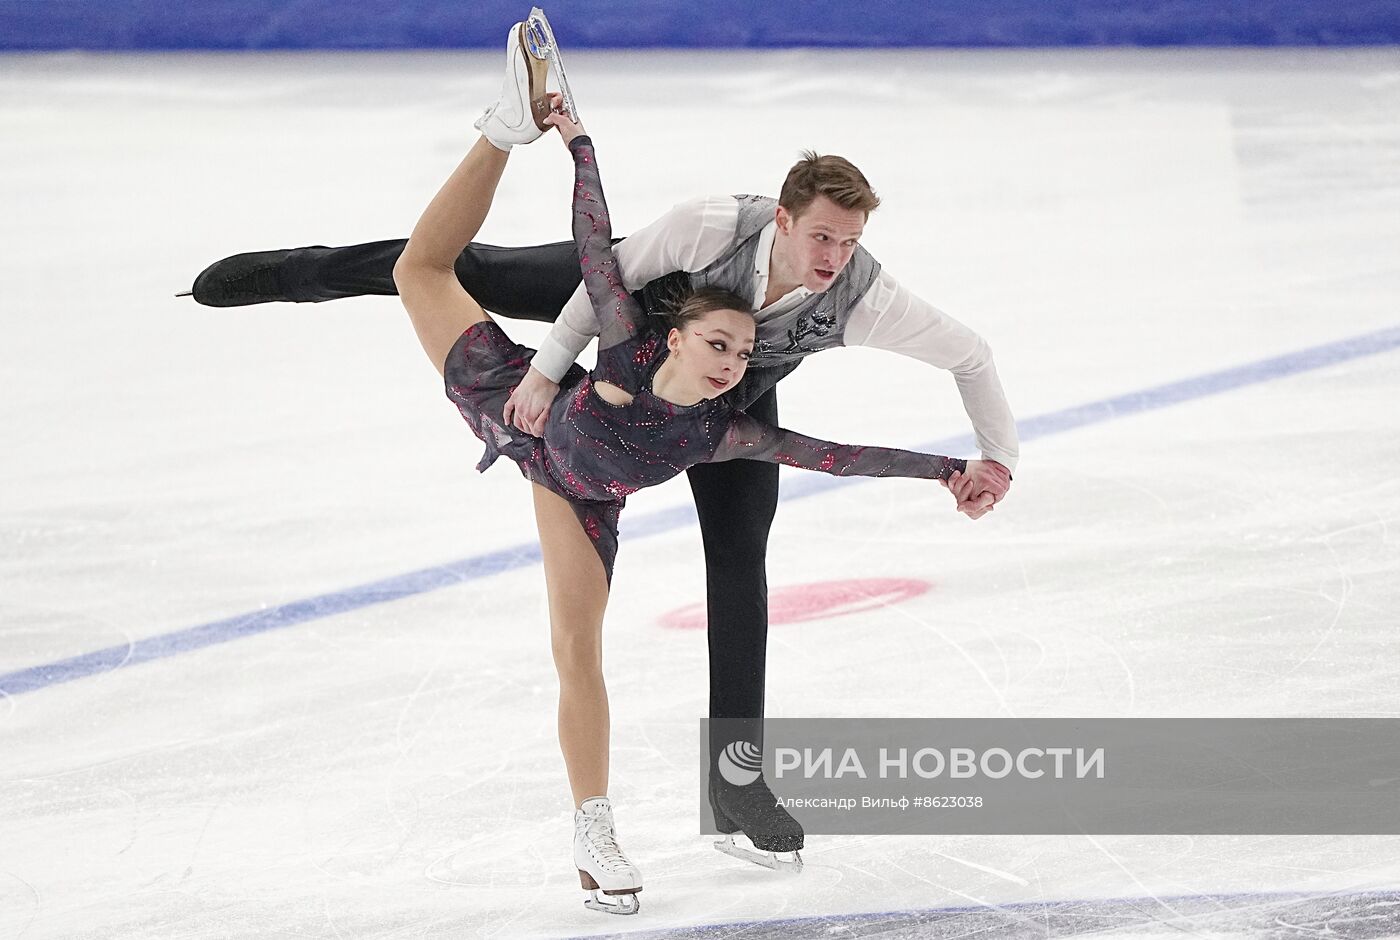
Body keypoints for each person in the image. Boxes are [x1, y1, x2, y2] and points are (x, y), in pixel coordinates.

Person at [183, 7, 1017, 872]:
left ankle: (737, 783)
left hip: (719, 407)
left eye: (849, 242)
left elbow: (971, 355)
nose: (835, 256)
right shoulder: (711, 225)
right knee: (480, 270)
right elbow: (601, 278)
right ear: (781, 218)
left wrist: (991, 459)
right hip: (623, 321)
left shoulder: (864, 297)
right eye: (821, 237)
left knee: (740, 562)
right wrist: (544, 372)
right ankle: (300, 272)